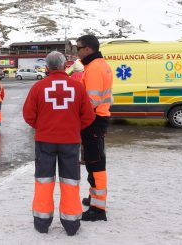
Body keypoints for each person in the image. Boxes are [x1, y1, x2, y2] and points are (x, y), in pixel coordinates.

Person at [23, 51, 95, 236]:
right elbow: (88, 116)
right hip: (70, 142)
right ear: (65, 66)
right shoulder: (77, 87)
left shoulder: (39, 87)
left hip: (44, 142)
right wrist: (73, 127)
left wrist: (43, 127)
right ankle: (71, 224)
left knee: (44, 181)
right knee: (70, 182)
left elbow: (29, 115)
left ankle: (42, 222)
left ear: (47, 67)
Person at [75, 34, 113, 222]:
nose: (77, 51)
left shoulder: (95, 69)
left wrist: (79, 119)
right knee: (93, 161)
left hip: (94, 121)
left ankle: (98, 209)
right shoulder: (97, 65)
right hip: (98, 119)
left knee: (96, 164)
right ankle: (94, 198)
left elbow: (91, 101)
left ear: (88, 49)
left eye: (78, 48)